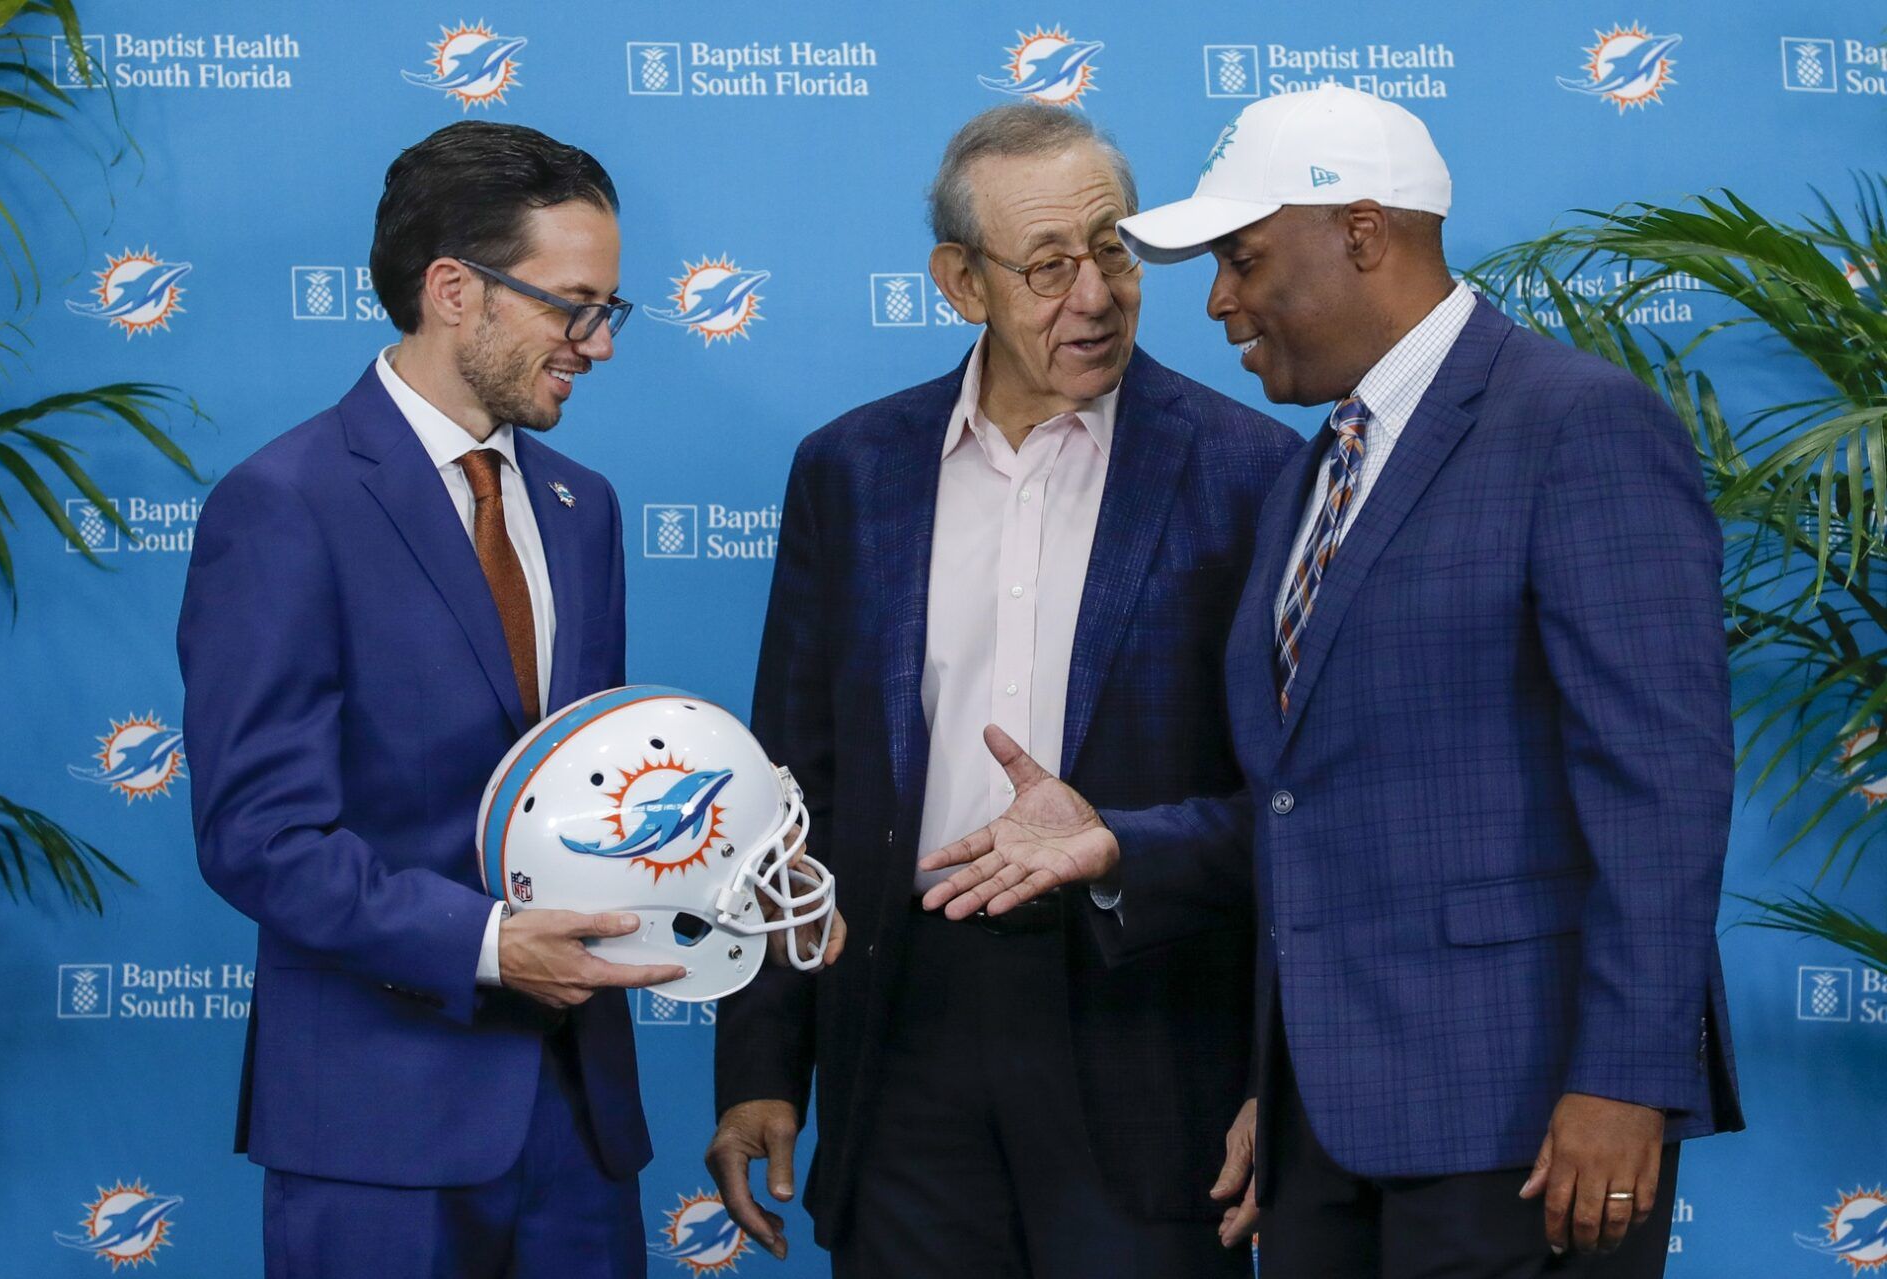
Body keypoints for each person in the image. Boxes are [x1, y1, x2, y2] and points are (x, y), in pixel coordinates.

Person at [919, 84, 1743, 1278]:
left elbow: (1662, 785)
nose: (1217, 302)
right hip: (1323, 1143)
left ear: (1361, 233)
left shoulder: (1577, 424)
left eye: (1244, 260)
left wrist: (1624, 1081)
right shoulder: (1317, 475)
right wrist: (1125, 858)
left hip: (1522, 1132)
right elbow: (1311, 811)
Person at [704, 103, 1299, 1279]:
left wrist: (1279, 1084)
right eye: (1046, 266)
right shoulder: (852, 471)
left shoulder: (1252, 473)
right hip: (903, 1027)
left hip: (1152, 1035)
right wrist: (763, 1066)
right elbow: (789, 790)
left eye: (1114, 251)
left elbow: (1289, 810)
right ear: (959, 283)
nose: (1094, 294)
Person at [182, 120, 681, 1277]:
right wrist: (493, 944)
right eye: (573, 305)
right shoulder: (285, 503)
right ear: (454, 289)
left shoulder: (582, 505)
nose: (597, 344)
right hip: (378, 1130)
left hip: (582, 1124)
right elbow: (259, 837)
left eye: (610, 309)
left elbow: (582, 796)